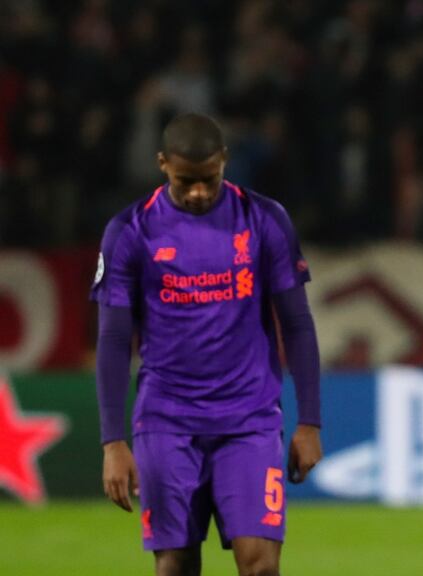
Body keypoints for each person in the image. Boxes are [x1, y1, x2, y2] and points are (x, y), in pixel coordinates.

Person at [91, 113, 322, 576]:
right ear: (161, 165)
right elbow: (115, 339)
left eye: (209, 179)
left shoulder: (264, 219)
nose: (199, 192)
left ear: (225, 162)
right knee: (176, 565)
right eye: (186, 181)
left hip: (249, 420)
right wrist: (112, 441)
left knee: (261, 567)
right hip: (167, 421)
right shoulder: (129, 231)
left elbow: (296, 323)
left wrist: (310, 422)